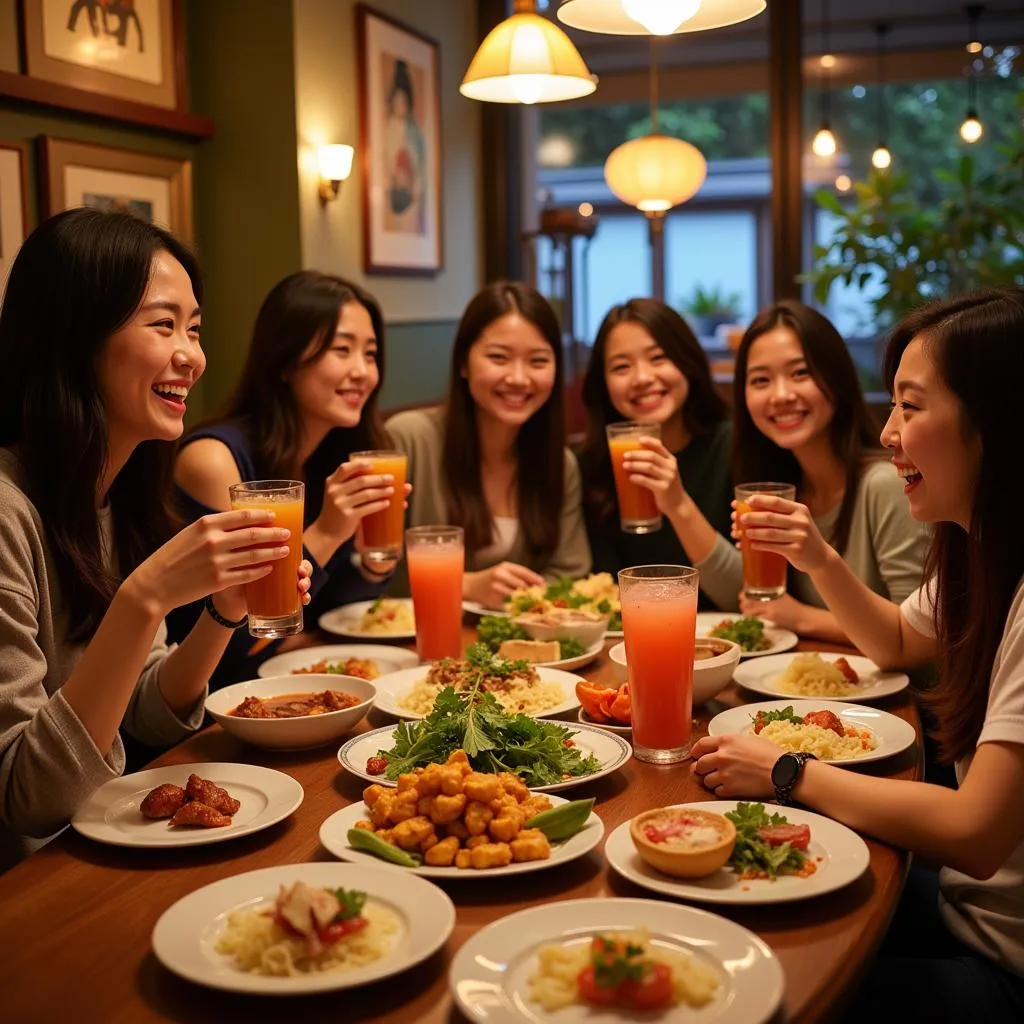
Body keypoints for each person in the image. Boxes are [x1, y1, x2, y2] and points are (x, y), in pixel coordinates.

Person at [691, 288, 1024, 1021]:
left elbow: (974, 833)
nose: (889, 431)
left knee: (744, 993)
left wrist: (785, 770)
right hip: (969, 908)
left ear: (994, 421)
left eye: (911, 406)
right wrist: (820, 555)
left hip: (1002, 960)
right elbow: (898, 640)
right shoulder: (979, 553)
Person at [0, 209, 311, 870]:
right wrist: (143, 598)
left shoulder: (112, 493)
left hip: (98, 849)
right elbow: (27, 798)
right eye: (163, 324)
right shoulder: (7, 511)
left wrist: (224, 609)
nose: (191, 356)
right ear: (74, 335)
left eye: (194, 329)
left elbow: (141, 712)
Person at [171, 271, 406, 684]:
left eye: (370, 354)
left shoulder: (328, 456)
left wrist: (368, 563)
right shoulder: (214, 462)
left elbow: (333, 610)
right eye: (342, 349)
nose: (363, 371)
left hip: (296, 683)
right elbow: (234, 634)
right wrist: (327, 533)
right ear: (285, 360)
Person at [694, 300, 927, 639]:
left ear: (836, 376)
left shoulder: (886, 484)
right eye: (761, 380)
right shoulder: (786, 490)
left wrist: (801, 617)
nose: (782, 395)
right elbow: (753, 599)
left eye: (800, 373)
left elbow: (919, 637)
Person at [387, 281, 591, 609]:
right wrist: (465, 585)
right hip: (413, 646)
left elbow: (571, 572)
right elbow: (369, 568)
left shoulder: (559, 462)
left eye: (538, 361)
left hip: (515, 647)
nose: (519, 378)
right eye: (499, 358)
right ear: (464, 364)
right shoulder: (410, 439)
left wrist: (524, 597)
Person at [578, 298, 733, 609]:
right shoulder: (590, 466)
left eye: (658, 358)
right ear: (603, 383)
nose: (642, 378)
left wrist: (677, 504)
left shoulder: (734, 446)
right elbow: (602, 597)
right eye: (621, 367)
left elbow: (744, 595)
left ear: (687, 361)